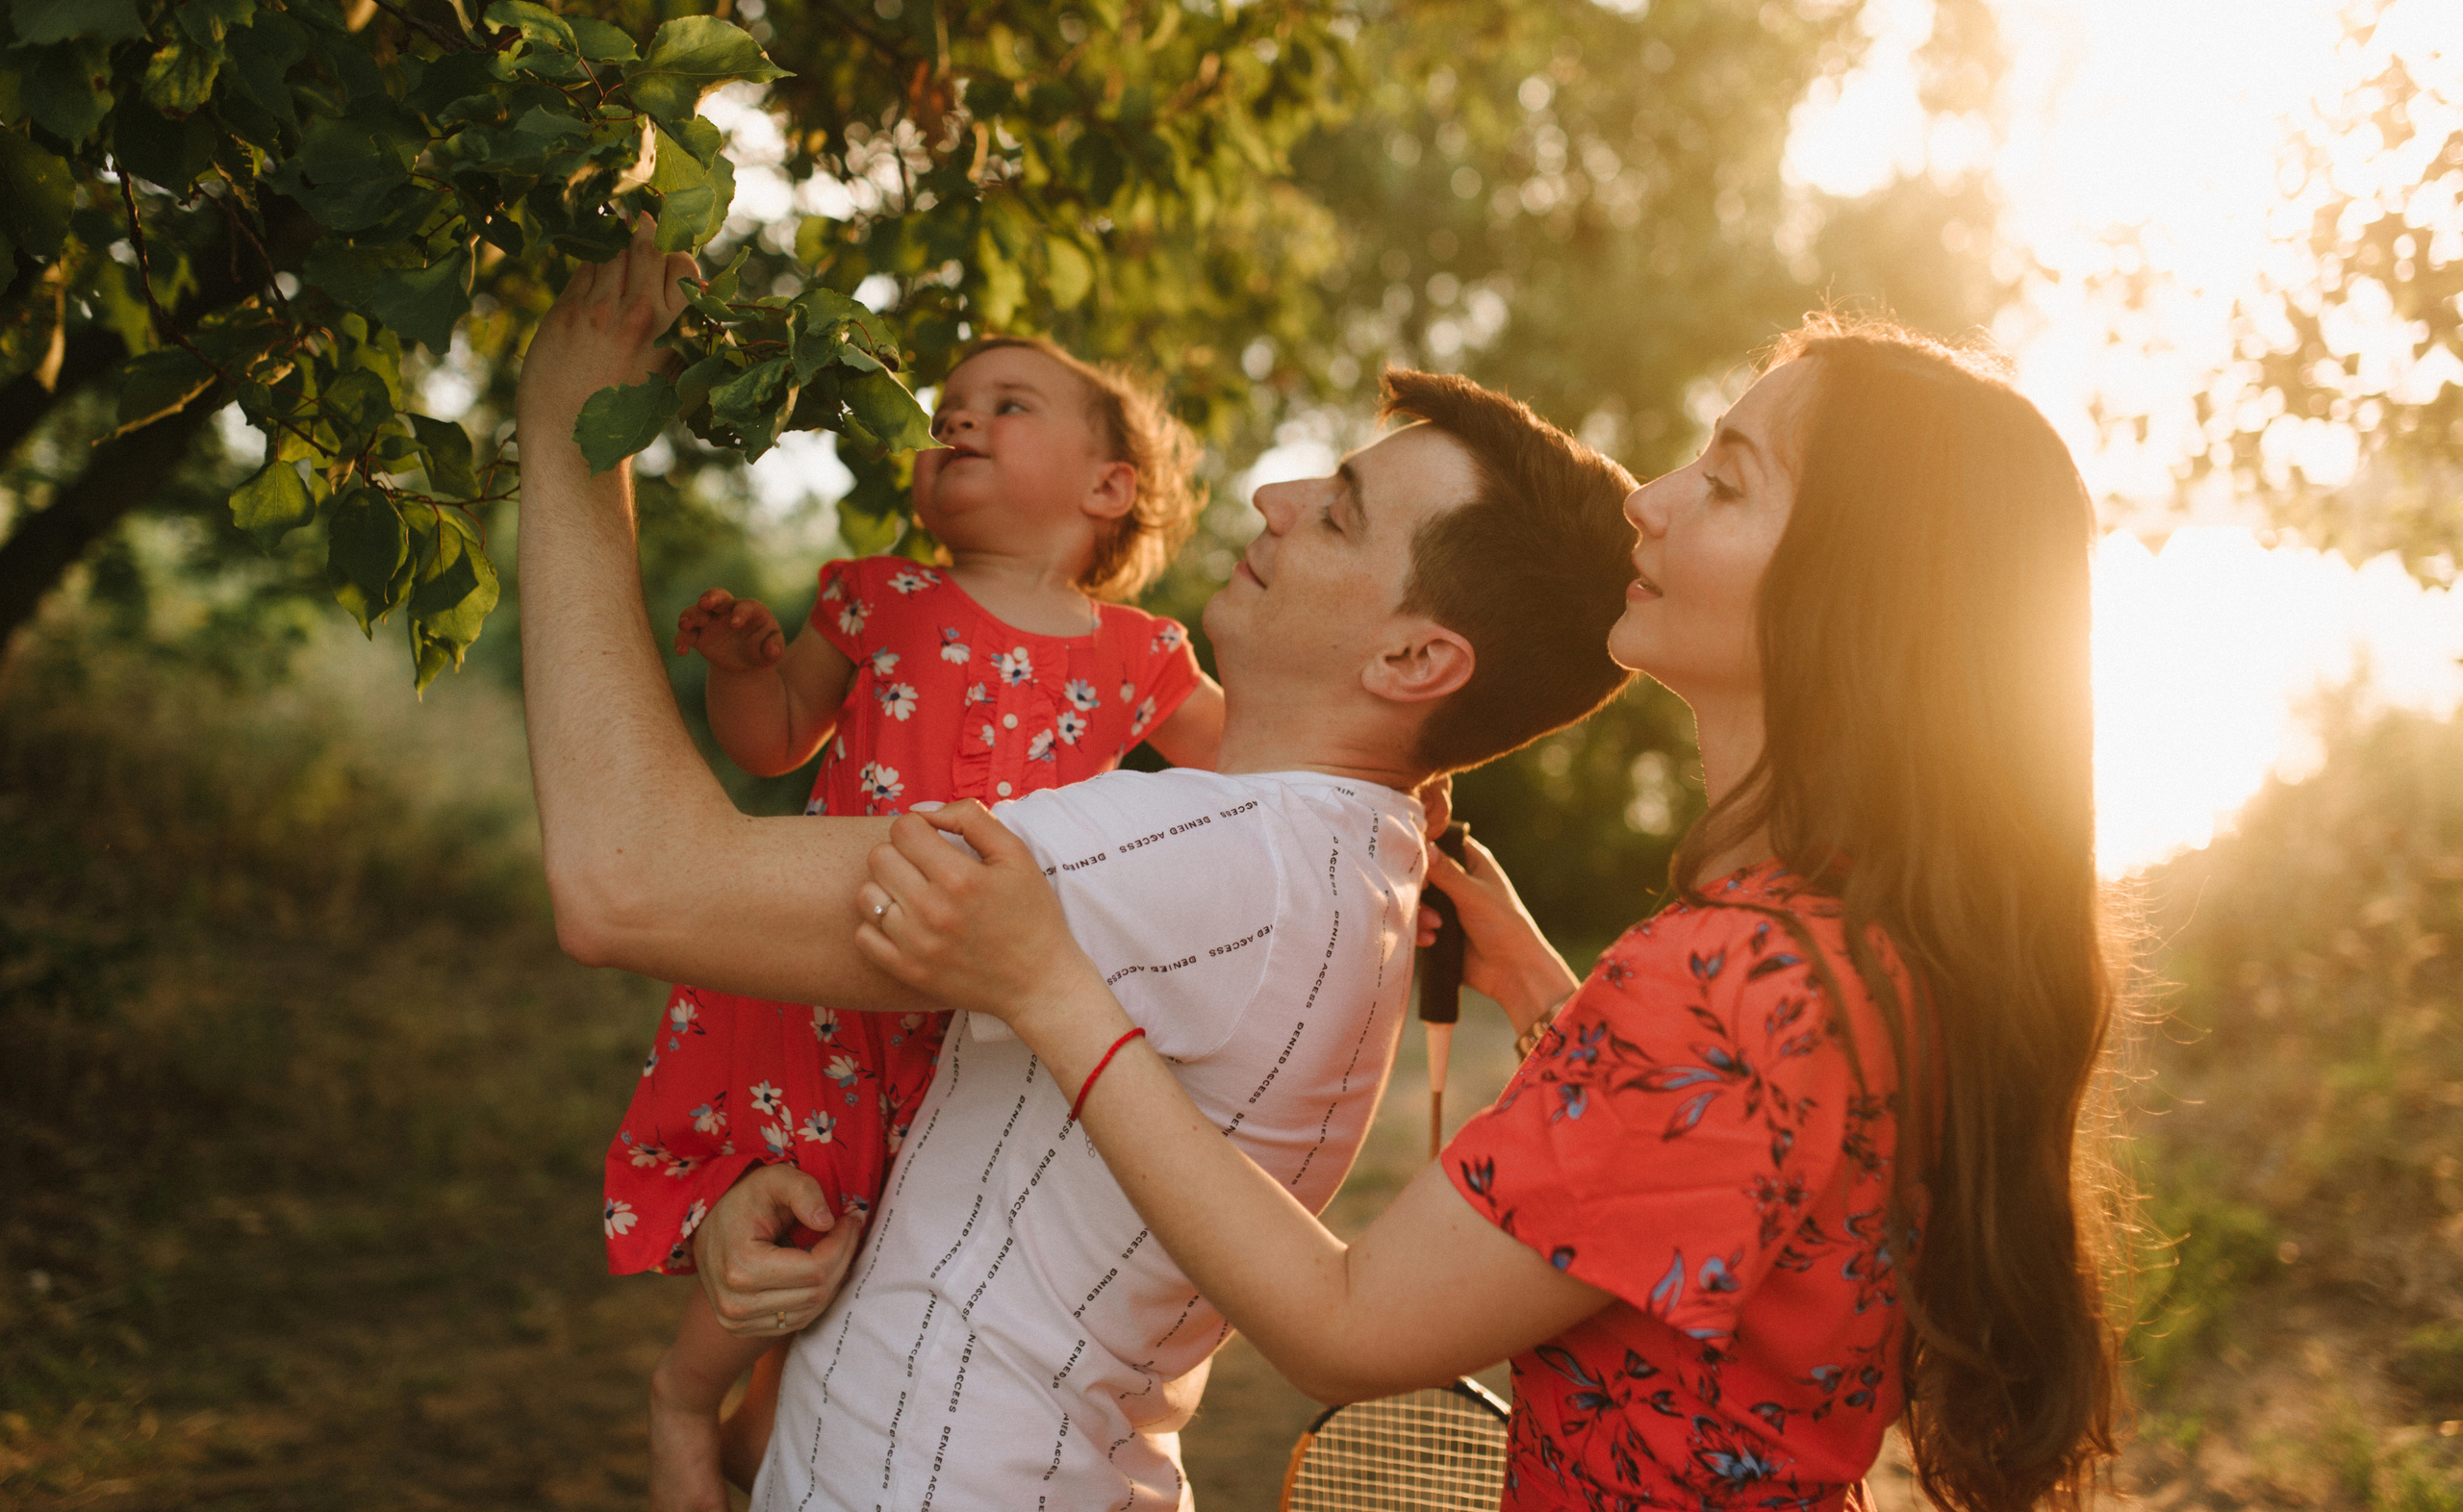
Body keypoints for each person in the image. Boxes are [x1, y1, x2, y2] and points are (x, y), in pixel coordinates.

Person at [855, 316, 2125, 1512]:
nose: (1654, 497)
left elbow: (1345, 1322)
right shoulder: (1863, 947)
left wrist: (1055, 994)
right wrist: (1552, 998)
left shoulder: (1721, 978)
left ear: (1853, 604)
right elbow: (1741, 1169)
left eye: (1727, 485)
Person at [511, 217, 1643, 1509]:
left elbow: (630, 880)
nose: (1273, 499)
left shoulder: (1196, 857)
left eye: (1336, 514)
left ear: (1412, 663)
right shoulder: (1339, 860)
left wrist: (568, 434)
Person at [605, 334, 1226, 1510]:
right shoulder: (878, 595)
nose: (958, 420)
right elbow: (774, 740)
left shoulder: (1142, 658)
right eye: (946, 408)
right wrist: (747, 672)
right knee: (800, 1203)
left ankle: (755, 1446)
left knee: (877, 1259)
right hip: (833, 979)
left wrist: (1399, 783)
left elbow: (1264, 771)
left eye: (1007, 403)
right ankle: (685, 1399)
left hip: (979, 1023)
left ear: (1109, 487)